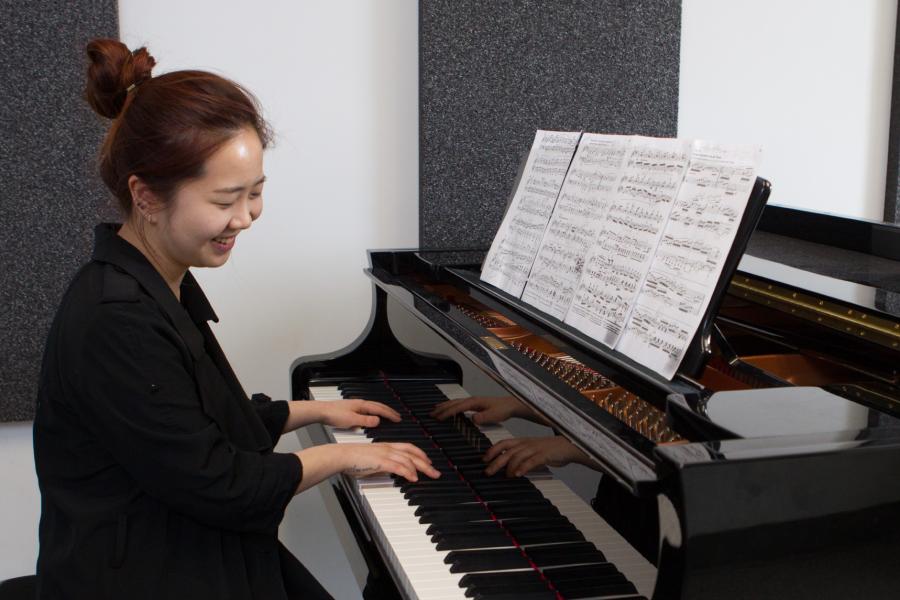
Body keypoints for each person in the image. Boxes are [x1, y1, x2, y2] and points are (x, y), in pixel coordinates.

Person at [32, 39, 440, 600]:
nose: (246, 218)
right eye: (226, 200)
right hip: (147, 574)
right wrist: (344, 453)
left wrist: (313, 410)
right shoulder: (115, 318)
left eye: (256, 192)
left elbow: (194, 418)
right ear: (146, 196)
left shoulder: (154, 278)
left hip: (187, 542)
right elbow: (217, 480)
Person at [431, 395, 660, 563]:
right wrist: (526, 404)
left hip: (662, 539)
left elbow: (688, 467)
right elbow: (626, 416)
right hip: (619, 509)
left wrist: (580, 449)